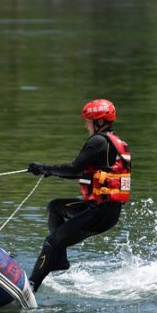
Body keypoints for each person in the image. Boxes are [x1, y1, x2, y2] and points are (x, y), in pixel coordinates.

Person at [26, 99, 131, 292]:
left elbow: (74, 168)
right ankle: (60, 260)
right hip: (105, 211)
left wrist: (43, 167)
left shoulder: (98, 141)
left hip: (99, 214)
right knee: (55, 207)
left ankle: (30, 287)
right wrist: (48, 172)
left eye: (88, 122)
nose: (86, 125)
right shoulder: (112, 143)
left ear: (99, 122)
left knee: (51, 242)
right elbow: (81, 172)